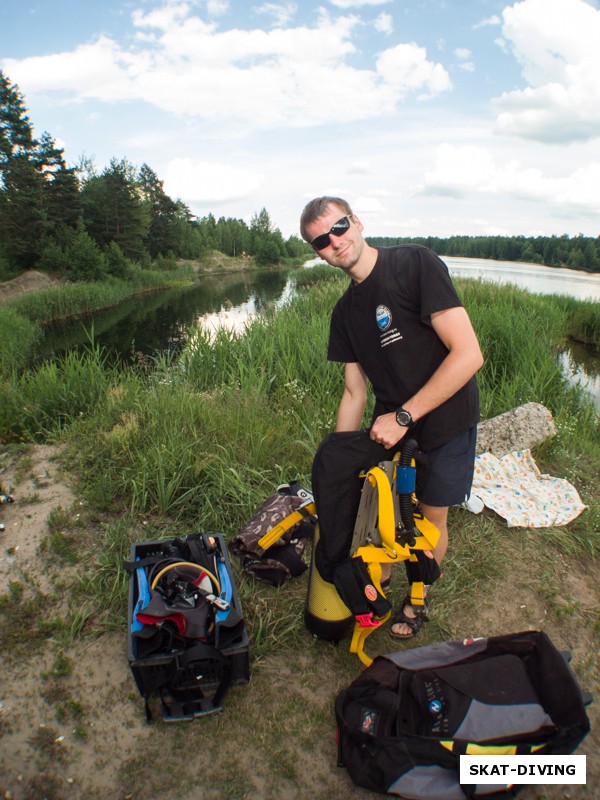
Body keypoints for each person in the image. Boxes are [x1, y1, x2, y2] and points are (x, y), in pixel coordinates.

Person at [300, 196, 484, 639]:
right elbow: (353, 391)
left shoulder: (414, 264)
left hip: (445, 420)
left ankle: (417, 599)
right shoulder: (344, 313)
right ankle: (373, 590)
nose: (335, 242)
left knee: (429, 519)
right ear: (319, 253)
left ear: (357, 222)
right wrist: (343, 464)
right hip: (392, 429)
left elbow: (469, 354)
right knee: (383, 520)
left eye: (339, 228)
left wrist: (405, 415)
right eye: (321, 241)